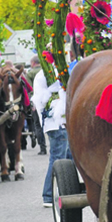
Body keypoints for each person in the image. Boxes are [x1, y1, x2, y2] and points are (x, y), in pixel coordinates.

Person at [32, 68, 72, 207]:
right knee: (58, 158)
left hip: (60, 121)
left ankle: (68, 190)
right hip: (55, 123)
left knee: (69, 157)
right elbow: (41, 102)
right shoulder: (44, 75)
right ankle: (48, 195)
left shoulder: (59, 70)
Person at [26, 55, 47, 155]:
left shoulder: (30, 74)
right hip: (47, 101)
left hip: (36, 101)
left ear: (33, 63)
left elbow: (29, 90)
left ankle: (43, 148)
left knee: (38, 125)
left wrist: (31, 103)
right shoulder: (46, 71)